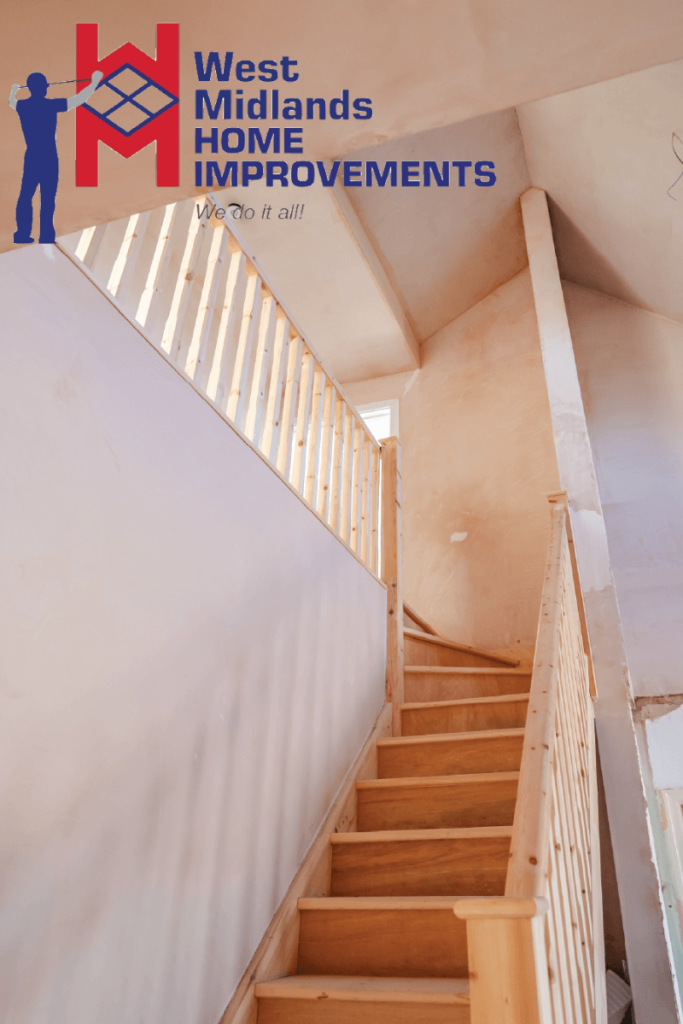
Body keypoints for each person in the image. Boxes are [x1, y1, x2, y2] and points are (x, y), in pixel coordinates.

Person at [9, 69, 102, 244]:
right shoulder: (50, 105)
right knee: (48, 198)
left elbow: (11, 102)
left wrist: (14, 90)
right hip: (49, 158)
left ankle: (22, 234)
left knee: (25, 195)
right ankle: (46, 236)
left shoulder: (22, 106)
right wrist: (94, 82)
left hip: (32, 157)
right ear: (44, 88)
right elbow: (79, 99)